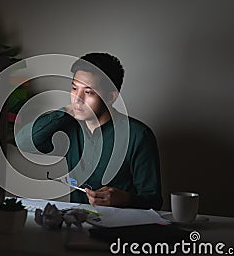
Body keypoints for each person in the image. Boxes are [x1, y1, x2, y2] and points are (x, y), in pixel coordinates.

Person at [16, 53, 162, 210]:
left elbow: (153, 202)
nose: (77, 98)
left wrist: (125, 199)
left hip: (121, 227)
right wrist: (65, 112)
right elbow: (24, 143)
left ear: (111, 97)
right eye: (74, 88)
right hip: (77, 223)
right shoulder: (69, 127)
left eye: (88, 92)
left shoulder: (138, 135)